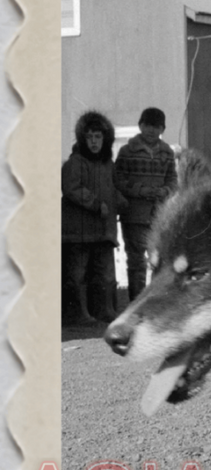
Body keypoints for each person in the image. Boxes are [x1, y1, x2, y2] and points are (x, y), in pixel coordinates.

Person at [61, 110, 125, 325]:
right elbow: (71, 188)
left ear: (105, 138)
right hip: (78, 232)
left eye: (98, 136)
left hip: (104, 231)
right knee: (78, 275)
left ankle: (106, 311)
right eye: (90, 137)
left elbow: (113, 189)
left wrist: (123, 202)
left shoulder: (108, 165)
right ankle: (79, 314)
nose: (94, 141)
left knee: (106, 274)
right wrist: (96, 203)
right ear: (82, 138)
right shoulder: (75, 163)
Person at [114, 106, 179, 302]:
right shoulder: (127, 151)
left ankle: (154, 302)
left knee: (158, 261)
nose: (152, 130)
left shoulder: (167, 153)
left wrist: (165, 192)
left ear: (162, 129)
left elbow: (173, 180)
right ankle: (136, 301)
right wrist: (141, 191)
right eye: (148, 126)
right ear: (140, 126)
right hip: (133, 215)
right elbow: (118, 180)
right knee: (135, 261)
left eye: (157, 127)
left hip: (158, 216)